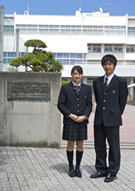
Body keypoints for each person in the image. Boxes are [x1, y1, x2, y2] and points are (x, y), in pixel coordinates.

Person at [90, 54, 128, 183]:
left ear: (114, 65)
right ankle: (101, 169)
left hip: (112, 119)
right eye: (105, 64)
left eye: (110, 64)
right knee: (99, 145)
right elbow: (99, 100)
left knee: (114, 146)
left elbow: (122, 102)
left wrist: (115, 114)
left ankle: (112, 172)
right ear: (103, 66)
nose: (107, 66)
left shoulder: (121, 82)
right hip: (99, 119)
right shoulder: (97, 81)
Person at [57, 65, 92, 178]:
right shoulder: (65, 88)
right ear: (72, 74)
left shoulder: (87, 88)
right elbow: (60, 104)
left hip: (82, 121)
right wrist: (70, 115)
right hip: (70, 120)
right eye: (75, 73)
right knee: (70, 143)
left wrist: (85, 116)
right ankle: (71, 167)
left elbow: (89, 104)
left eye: (79, 74)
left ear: (82, 75)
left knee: (80, 144)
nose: (77, 76)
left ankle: (78, 167)